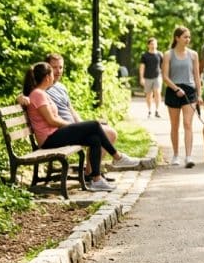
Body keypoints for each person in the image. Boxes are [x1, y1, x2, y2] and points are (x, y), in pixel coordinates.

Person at [22, 62, 139, 192]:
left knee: (94, 138)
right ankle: (117, 157)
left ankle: (96, 180)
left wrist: (74, 126)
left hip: (55, 135)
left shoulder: (40, 93)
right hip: (48, 140)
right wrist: (73, 126)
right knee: (94, 125)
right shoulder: (38, 94)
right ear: (47, 77)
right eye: (51, 74)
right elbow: (51, 120)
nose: (54, 76)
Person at [163, 26, 202, 168]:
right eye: (185, 37)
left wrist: (199, 95)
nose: (188, 39)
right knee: (175, 125)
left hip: (189, 91)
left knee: (187, 124)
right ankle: (175, 155)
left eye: (189, 37)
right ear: (177, 38)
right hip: (173, 90)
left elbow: (197, 76)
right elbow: (165, 77)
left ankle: (189, 156)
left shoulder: (193, 55)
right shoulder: (168, 54)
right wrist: (176, 88)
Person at [139, 38, 164, 118]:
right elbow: (142, 67)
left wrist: (164, 76)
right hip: (147, 78)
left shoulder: (160, 54)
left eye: (155, 44)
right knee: (149, 95)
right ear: (148, 45)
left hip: (158, 77)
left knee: (157, 92)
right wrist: (141, 78)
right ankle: (149, 110)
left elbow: (163, 66)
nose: (154, 45)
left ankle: (157, 110)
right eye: (152, 44)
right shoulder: (144, 55)